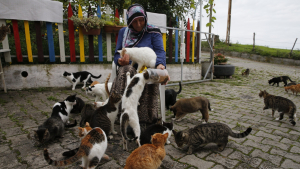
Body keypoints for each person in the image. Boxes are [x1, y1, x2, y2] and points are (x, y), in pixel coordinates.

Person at [111, 3, 168, 126]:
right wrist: (120, 61)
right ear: (129, 21)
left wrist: (160, 65)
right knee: (127, 70)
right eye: (134, 21)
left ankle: (145, 117)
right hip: (129, 67)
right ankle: (124, 115)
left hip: (148, 66)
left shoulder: (153, 31)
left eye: (141, 20)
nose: (138, 24)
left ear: (145, 18)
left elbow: (160, 52)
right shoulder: (123, 32)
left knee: (148, 74)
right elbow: (117, 54)